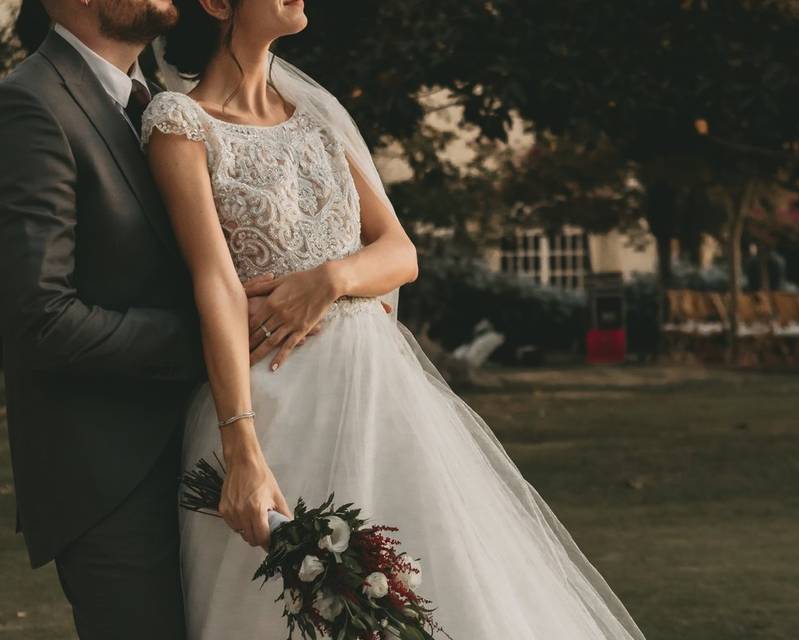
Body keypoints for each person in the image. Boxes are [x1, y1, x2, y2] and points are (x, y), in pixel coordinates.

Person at [141, 0, 649, 638]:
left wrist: (328, 280)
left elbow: (400, 252)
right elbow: (212, 281)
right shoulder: (180, 123)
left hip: (388, 402)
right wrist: (241, 446)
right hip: (275, 405)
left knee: (439, 598)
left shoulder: (318, 120)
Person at [0, 0, 214, 636]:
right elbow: (43, 319)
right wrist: (212, 338)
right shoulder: (26, 107)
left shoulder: (165, 104)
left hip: (208, 450)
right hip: (113, 481)